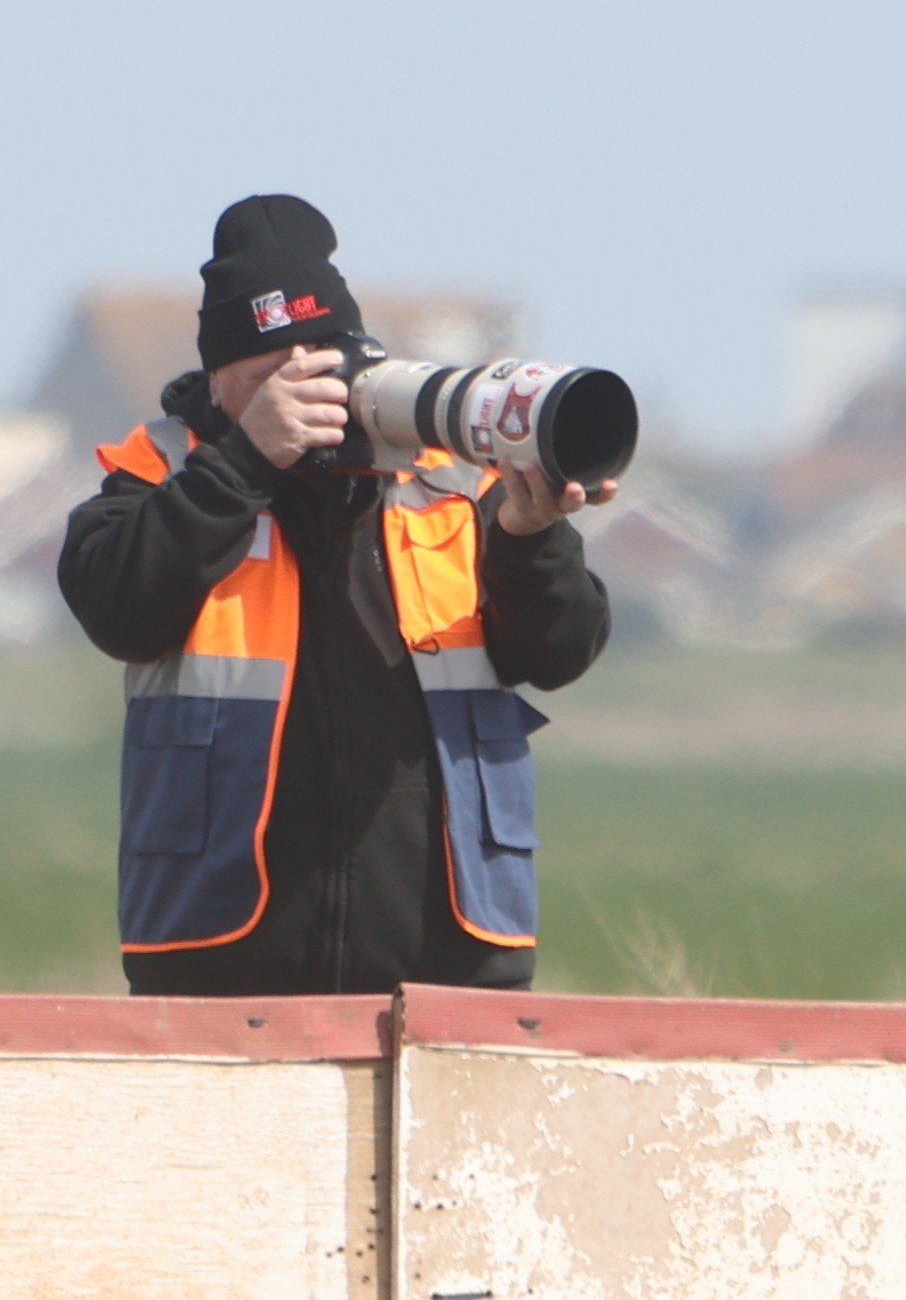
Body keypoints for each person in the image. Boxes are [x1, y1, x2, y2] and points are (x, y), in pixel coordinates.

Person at [59, 194, 614, 996]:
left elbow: (558, 652)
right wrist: (248, 462)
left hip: (449, 961)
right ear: (217, 384)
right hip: (222, 961)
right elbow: (118, 605)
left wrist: (531, 537)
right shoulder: (160, 475)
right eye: (269, 374)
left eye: (320, 364)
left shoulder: (451, 478)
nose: (305, 393)